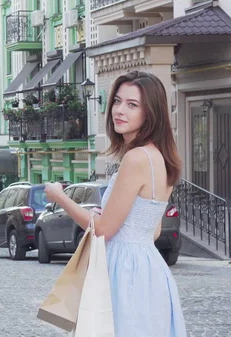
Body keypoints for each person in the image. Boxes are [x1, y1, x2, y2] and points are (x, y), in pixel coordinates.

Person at [45, 70, 187, 337]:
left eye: (132, 105)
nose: (119, 110)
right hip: (150, 269)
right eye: (118, 101)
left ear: (151, 113)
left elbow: (102, 230)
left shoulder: (136, 159)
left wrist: (59, 196)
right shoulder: (164, 158)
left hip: (124, 270)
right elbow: (153, 230)